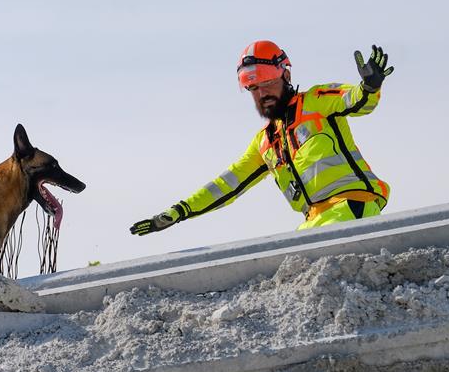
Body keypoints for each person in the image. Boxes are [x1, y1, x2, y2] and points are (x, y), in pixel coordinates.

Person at [130, 40, 394, 235]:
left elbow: (357, 101)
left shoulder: (316, 101)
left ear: (286, 75)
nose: (261, 93)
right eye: (253, 87)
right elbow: (227, 184)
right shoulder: (266, 142)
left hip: (351, 206)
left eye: (268, 82)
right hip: (313, 221)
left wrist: (370, 87)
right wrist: (180, 210)